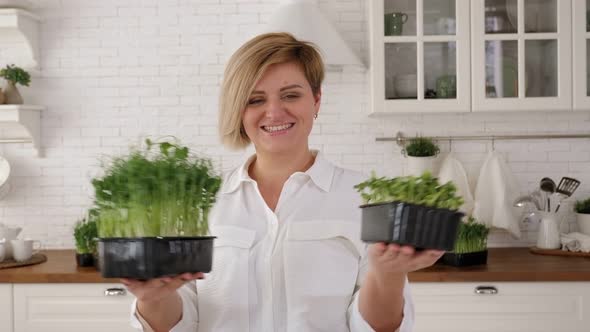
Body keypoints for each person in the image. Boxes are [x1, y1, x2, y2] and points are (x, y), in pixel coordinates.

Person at [123, 32, 444, 332]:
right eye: (255, 100)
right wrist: (154, 297)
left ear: (316, 101)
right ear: (238, 110)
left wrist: (388, 276)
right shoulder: (201, 203)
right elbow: (183, 323)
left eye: (290, 95)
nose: (274, 112)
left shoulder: (364, 198)